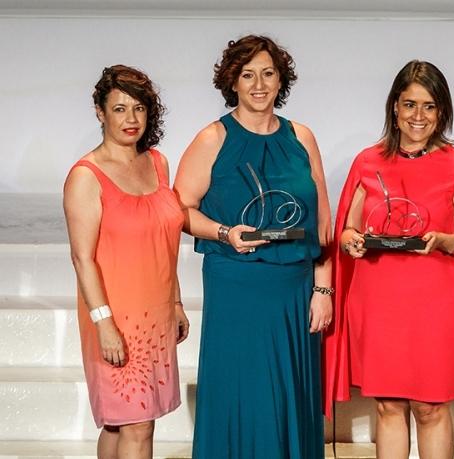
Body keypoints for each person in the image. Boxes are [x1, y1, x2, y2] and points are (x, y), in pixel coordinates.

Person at [324, 60, 454, 458]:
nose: (418, 116)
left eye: (429, 106)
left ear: (441, 111)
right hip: (378, 302)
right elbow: (345, 230)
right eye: (410, 104)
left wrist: (445, 240)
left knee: (430, 407)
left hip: (437, 304)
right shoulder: (367, 161)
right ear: (395, 106)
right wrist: (350, 241)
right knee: (388, 404)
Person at [173, 35, 332, 458]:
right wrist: (225, 232)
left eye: (267, 73)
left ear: (281, 80)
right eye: (248, 75)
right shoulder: (213, 137)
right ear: (233, 82)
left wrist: (323, 289)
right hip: (236, 288)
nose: (259, 84)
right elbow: (179, 211)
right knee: (242, 394)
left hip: (294, 291)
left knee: (289, 395)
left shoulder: (302, 137)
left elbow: (323, 224)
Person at [64, 65, 189, 459]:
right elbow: (82, 258)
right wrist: (104, 323)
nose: (131, 119)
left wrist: (175, 301)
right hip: (114, 315)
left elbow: (164, 240)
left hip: (155, 311)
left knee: (122, 422)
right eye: (119, 109)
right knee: (138, 422)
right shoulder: (86, 177)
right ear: (100, 113)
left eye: (138, 108)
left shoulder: (158, 163)